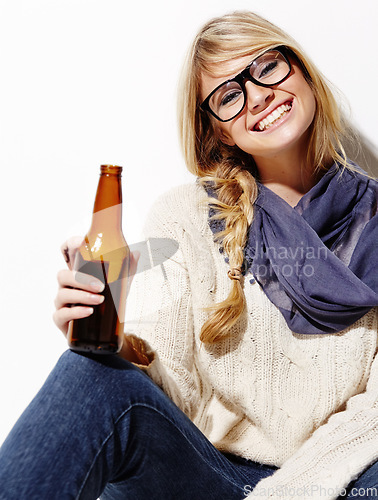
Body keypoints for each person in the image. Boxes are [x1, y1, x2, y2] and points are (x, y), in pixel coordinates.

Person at [0, 10, 377, 500]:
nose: (258, 95)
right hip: (206, 475)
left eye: (267, 67)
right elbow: (168, 381)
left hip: (338, 480)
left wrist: (289, 492)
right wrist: (109, 341)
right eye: (228, 95)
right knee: (86, 372)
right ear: (219, 130)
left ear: (300, 70)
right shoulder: (185, 216)